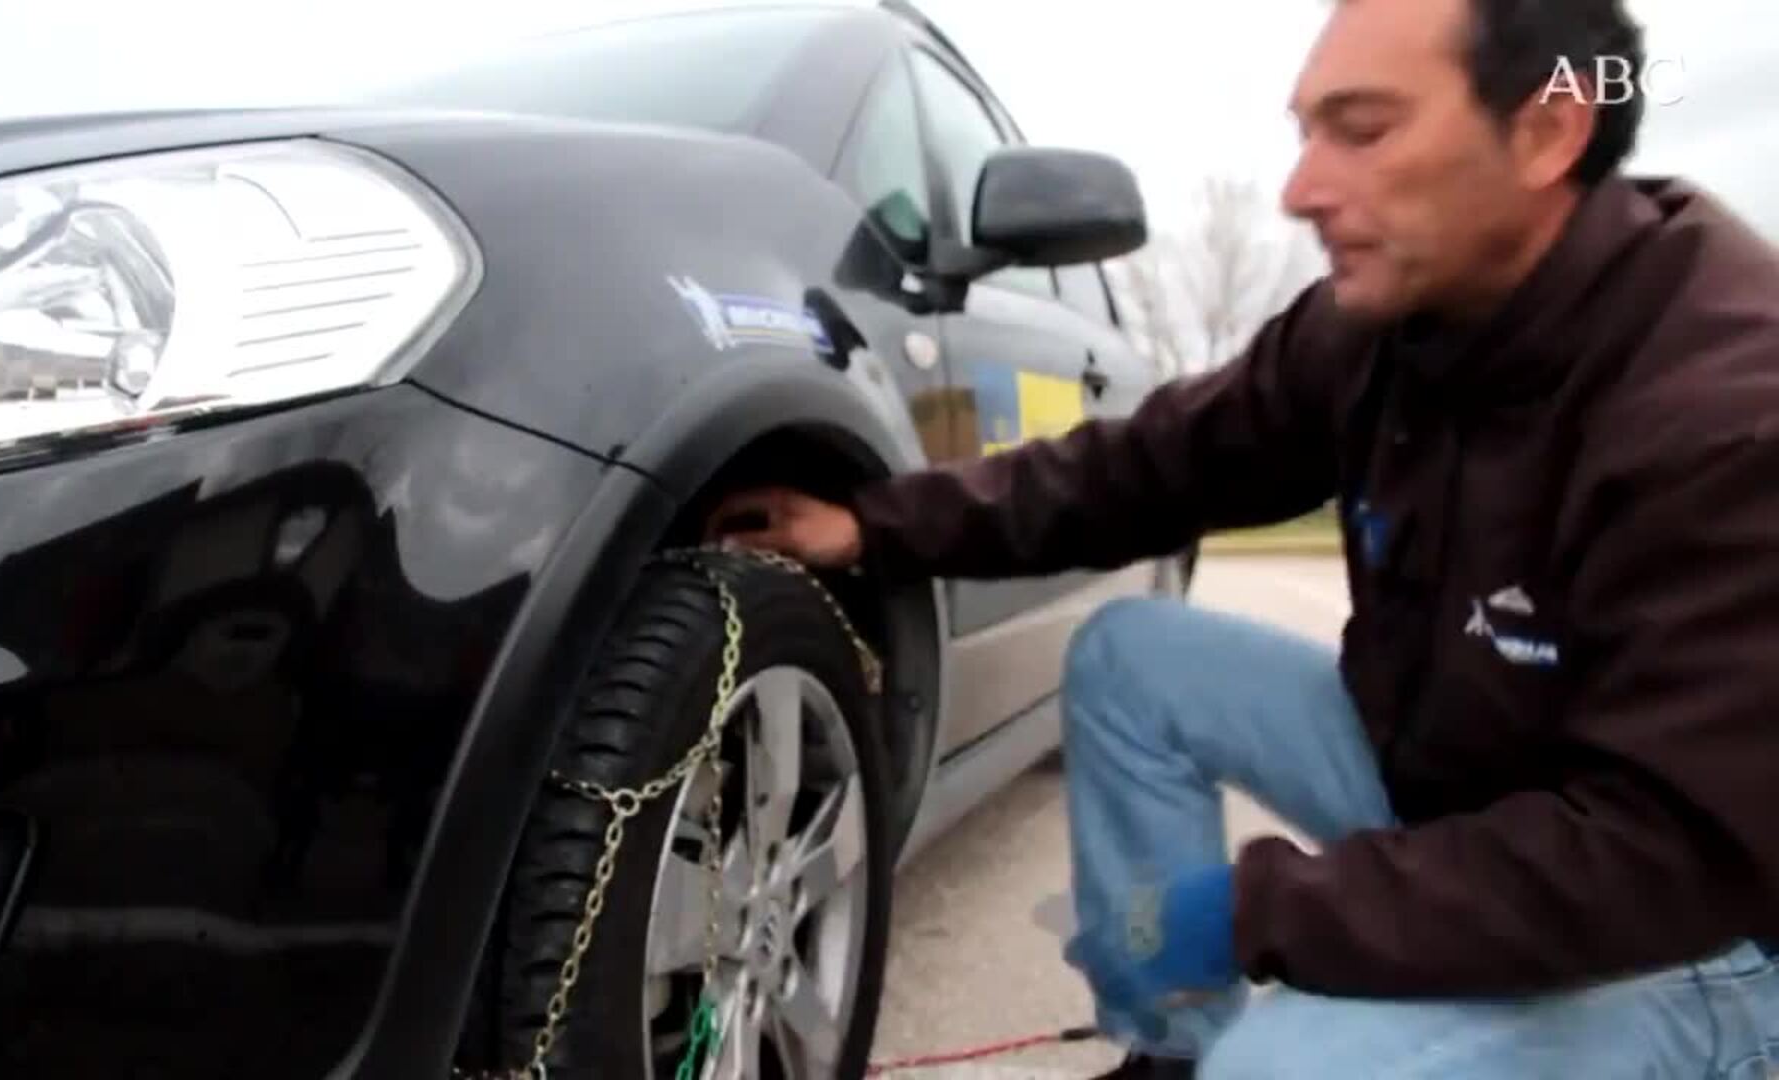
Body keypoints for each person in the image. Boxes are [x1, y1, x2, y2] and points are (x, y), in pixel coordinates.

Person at [708, 0, 1779, 1075]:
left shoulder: (1725, 409)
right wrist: (874, 523)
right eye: (1306, 132)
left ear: (1547, 130)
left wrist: (1255, 912)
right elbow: (1145, 467)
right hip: (1464, 792)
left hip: (1697, 930)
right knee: (1132, 657)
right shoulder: (1382, 331)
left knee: (1275, 1066)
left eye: (1365, 130)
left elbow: (1662, 855)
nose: (1300, 189)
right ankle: (1169, 1049)